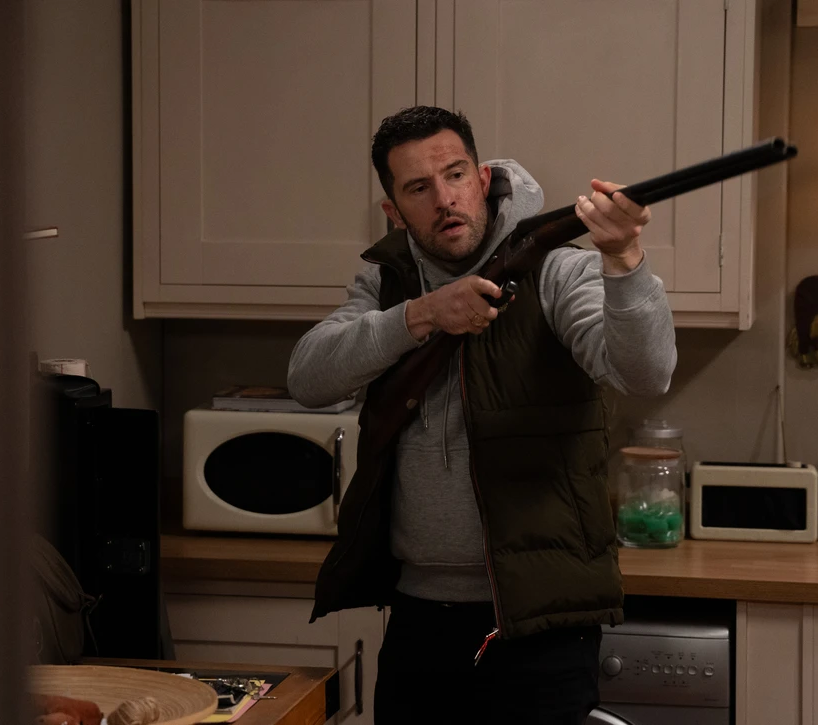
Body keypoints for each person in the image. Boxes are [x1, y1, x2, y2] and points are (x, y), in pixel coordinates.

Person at [287, 106, 677, 724]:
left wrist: (624, 257)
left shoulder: (557, 269)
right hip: (418, 618)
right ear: (394, 210)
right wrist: (422, 315)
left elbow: (646, 374)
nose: (444, 199)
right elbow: (307, 378)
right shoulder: (386, 284)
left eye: (455, 175)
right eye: (418, 188)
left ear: (483, 177)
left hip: (542, 617)